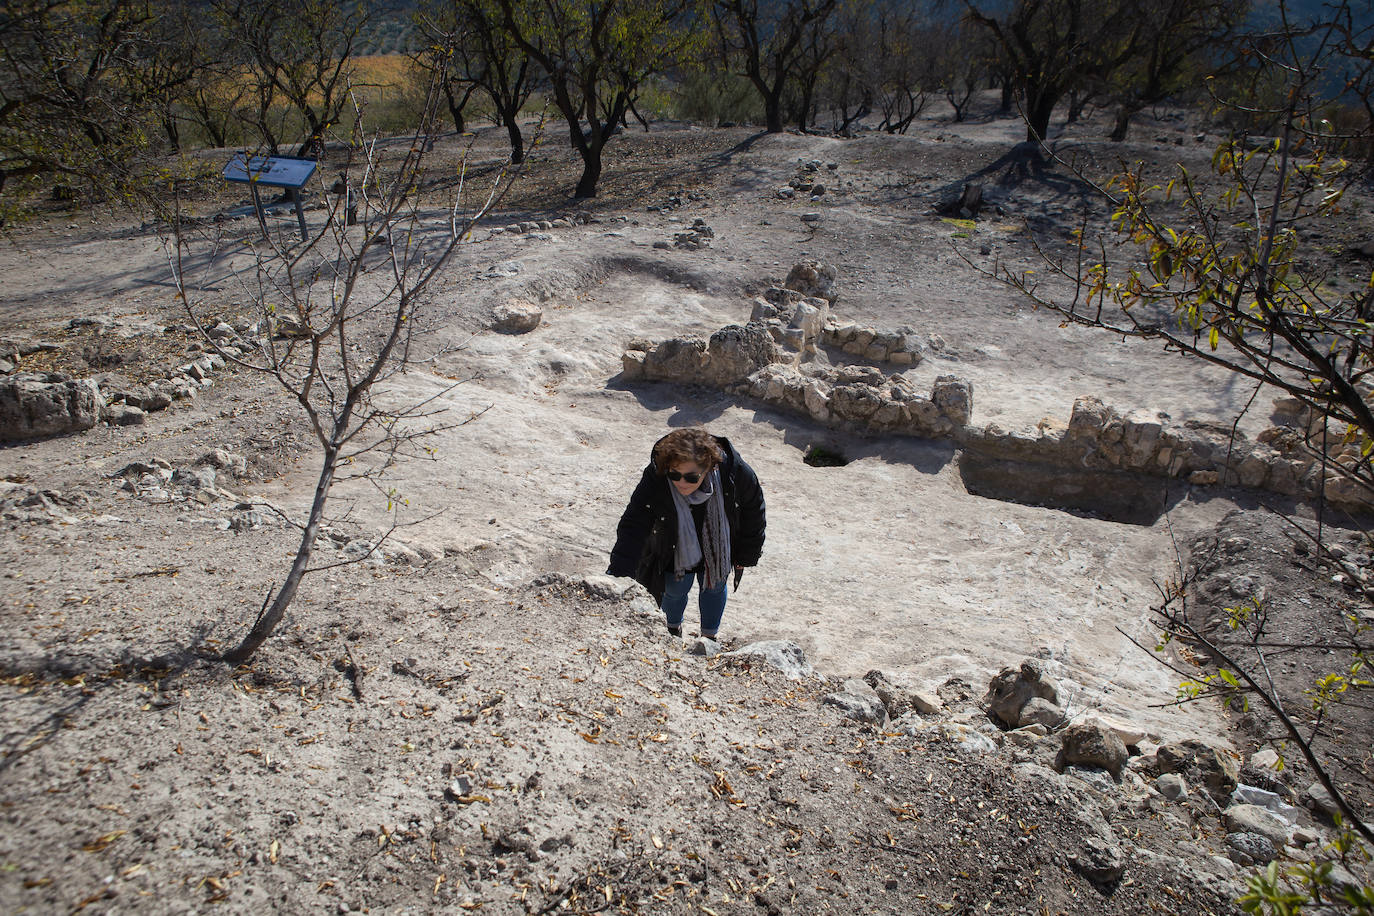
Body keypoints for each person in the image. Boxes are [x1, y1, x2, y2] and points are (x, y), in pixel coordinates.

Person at [608, 428, 765, 640]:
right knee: (674, 589)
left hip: (717, 547)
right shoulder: (656, 477)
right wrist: (620, 572)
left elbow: (754, 511)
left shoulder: (736, 472)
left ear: (710, 466)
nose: (681, 483)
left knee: (715, 588)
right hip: (675, 545)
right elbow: (635, 521)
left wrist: (746, 555)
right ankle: (672, 630)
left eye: (691, 477)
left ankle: (709, 638)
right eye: (675, 474)